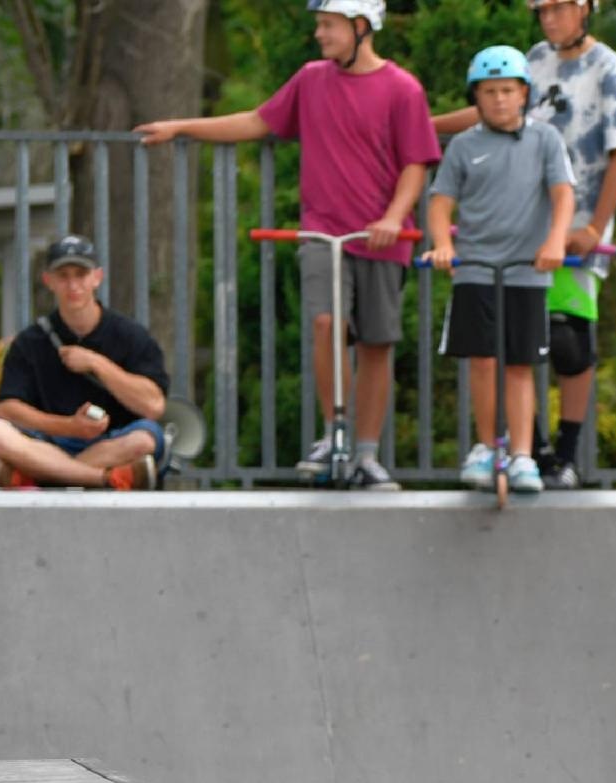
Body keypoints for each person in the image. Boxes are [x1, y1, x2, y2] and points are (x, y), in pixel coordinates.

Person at [137, 0, 441, 490]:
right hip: (322, 230)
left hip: (381, 236)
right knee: (326, 322)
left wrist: (392, 217)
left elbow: (416, 163)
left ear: (361, 28)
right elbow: (258, 122)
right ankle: (334, 433)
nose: (319, 34)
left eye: (328, 25)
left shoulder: (402, 89)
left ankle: (365, 453)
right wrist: (183, 127)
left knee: (377, 344)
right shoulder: (311, 80)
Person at [434, 0, 616, 490]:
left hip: (574, 229)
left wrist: (595, 226)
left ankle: (566, 456)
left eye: (559, 9)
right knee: (517, 342)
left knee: (570, 342)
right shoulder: (532, 58)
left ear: (585, 9)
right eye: (542, 11)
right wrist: (425, 125)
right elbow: (496, 103)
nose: (549, 20)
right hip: (521, 233)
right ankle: (531, 449)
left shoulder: (607, 66)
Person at [426, 46, 574, 494]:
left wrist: (555, 240)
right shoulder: (465, 145)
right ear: (477, 97)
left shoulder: (545, 139)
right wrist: (443, 244)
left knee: (520, 365)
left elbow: (563, 194)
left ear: (524, 93)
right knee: (484, 362)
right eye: (489, 92)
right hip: (475, 268)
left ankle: (524, 455)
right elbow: (440, 202)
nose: (499, 100)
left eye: (508, 90)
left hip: (525, 270)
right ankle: (489, 445)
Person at [0, 235, 166, 491]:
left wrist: (97, 363)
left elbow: (154, 405)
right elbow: (7, 409)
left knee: (145, 439)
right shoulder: (30, 341)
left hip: (112, 441)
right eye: (63, 275)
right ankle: (107, 478)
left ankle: (39, 476)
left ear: (97, 277)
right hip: (49, 443)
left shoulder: (131, 335)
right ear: (49, 281)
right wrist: (69, 426)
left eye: (81, 274)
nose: (73, 285)